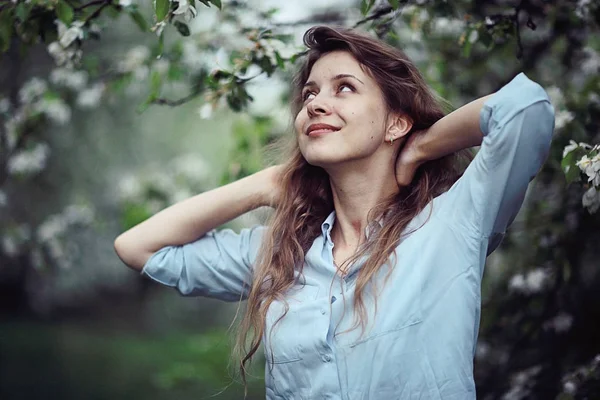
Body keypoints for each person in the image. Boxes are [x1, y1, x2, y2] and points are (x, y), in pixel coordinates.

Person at [114, 25, 555, 399]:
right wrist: (266, 184)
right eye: (310, 93)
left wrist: (420, 145)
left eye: (344, 88)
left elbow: (525, 108)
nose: (315, 104)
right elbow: (139, 247)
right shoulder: (278, 253)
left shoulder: (450, 224)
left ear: (394, 122)